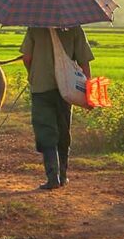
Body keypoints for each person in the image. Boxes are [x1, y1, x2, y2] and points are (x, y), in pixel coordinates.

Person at [19, 26, 94, 190]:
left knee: (46, 131)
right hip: (67, 90)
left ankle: (52, 177)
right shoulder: (75, 28)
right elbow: (84, 62)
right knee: (63, 130)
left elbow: (27, 58)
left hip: (41, 88)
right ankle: (63, 176)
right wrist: (88, 90)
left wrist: (32, 74)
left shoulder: (35, 27)